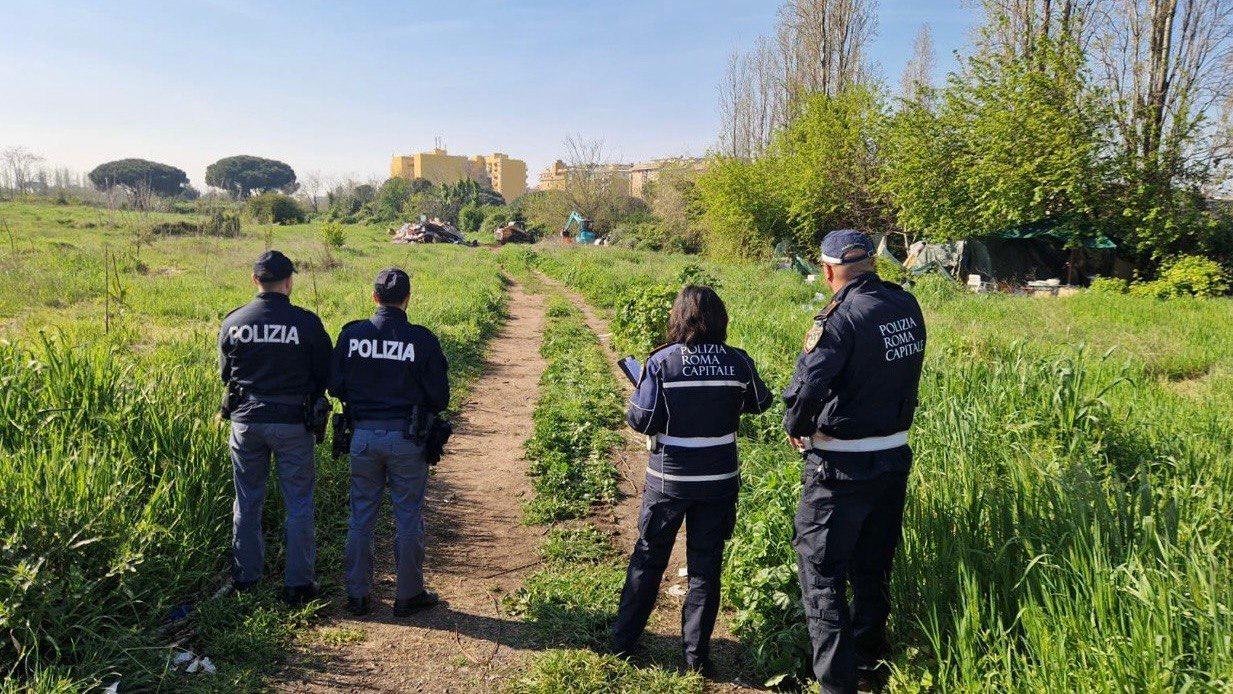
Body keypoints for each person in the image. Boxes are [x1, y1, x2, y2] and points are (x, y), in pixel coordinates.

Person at [782, 230, 926, 693]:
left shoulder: (838, 317)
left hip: (839, 468)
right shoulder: (906, 306)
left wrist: (796, 426)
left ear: (827, 270)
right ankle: (867, 660)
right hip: (893, 458)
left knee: (821, 574)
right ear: (872, 263)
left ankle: (836, 684)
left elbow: (808, 387)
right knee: (872, 565)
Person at [611, 285, 774, 675]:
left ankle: (623, 642)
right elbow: (759, 403)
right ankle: (696, 659)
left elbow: (640, 419)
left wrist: (644, 386)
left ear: (677, 319)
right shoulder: (738, 362)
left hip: (668, 481)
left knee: (649, 557)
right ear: (721, 319)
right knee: (705, 568)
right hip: (719, 482)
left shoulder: (661, 363)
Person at [329, 268, 449, 617]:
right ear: (408, 299)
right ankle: (408, 595)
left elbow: (334, 386)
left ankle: (357, 595)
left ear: (374, 297)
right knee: (408, 515)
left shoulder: (352, 335)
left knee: (361, 516)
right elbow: (439, 398)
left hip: (363, 437)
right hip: (408, 439)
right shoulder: (423, 340)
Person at [218, 250, 332, 605]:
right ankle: (298, 585)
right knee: (298, 502)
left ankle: (246, 579)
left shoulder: (233, 321)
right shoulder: (306, 323)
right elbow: (326, 375)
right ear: (289, 281)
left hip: (246, 423)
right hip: (293, 424)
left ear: (255, 281)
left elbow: (226, 374)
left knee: (246, 501)